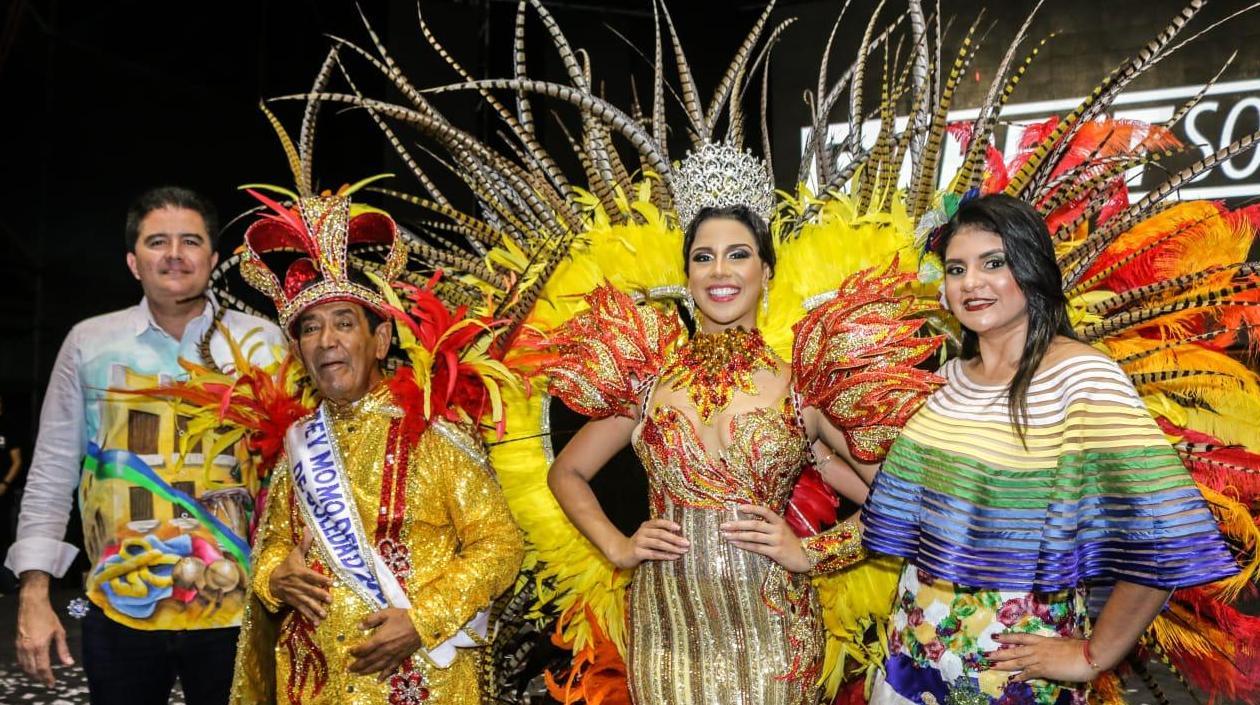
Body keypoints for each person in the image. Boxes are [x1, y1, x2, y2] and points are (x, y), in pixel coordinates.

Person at [543, 144, 940, 705]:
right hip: (665, 638)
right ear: (687, 274)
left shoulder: (804, 384)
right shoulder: (647, 380)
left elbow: (903, 499)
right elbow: (567, 473)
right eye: (703, 257)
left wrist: (812, 553)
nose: (720, 271)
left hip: (774, 642)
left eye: (738, 254)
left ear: (766, 270)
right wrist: (618, 547)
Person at [861, 194, 1239, 705]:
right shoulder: (947, 381)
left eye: (993, 263)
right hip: (913, 651)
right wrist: (814, 436)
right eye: (956, 269)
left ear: (1032, 268)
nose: (971, 282)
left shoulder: (1083, 378)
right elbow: (914, 506)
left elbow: (1165, 534)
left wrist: (1092, 656)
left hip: (1015, 673)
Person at [228, 189, 525, 705]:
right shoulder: (299, 444)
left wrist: (423, 620)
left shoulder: (433, 429)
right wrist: (276, 576)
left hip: (423, 684)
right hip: (314, 686)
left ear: (381, 340)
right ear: (298, 351)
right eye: (311, 329)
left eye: (344, 323)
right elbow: (273, 543)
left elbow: (500, 545)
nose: (327, 340)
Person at [7, 186, 285, 704]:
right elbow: (51, 472)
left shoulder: (264, 344)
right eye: (158, 242)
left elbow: (296, 476)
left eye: (190, 241)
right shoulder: (90, 343)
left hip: (242, 612)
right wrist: (34, 591)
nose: (175, 254)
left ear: (213, 259)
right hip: (120, 613)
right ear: (134, 262)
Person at [0, 393, 26, 593]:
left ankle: (9, 583)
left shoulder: (7, 427)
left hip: (4, 493)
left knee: (4, 536)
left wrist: (5, 483)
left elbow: (17, 461)